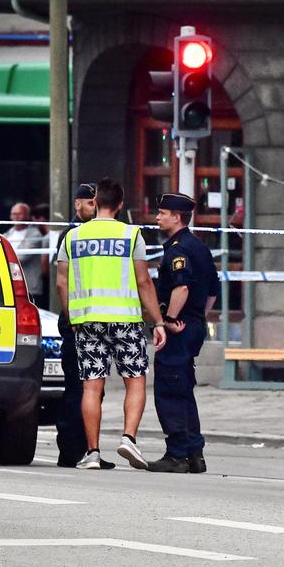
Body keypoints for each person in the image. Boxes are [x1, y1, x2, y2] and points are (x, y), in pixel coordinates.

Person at [55, 178, 166, 470]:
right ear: (120, 204)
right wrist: (158, 321)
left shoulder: (73, 236)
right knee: (136, 380)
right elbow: (143, 281)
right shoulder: (131, 235)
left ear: (96, 202)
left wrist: (71, 316)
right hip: (125, 319)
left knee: (91, 387)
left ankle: (91, 451)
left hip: (87, 320)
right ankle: (128, 438)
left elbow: (62, 282)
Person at [149, 193, 220, 473]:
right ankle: (194, 453)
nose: (157, 217)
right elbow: (213, 291)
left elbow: (182, 287)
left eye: (162, 213)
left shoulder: (178, 249)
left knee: (170, 389)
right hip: (193, 326)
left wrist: (169, 319)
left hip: (178, 328)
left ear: (176, 217)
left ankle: (177, 453)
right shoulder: (199, 247)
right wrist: (198, 318)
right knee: (184, 389)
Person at [52, 184, 103, 467]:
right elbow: (63, 282)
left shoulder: (100, 236)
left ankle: (89, 449)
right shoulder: (70, 235)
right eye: (89, 202)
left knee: (93, 389)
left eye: (97, 202)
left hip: (96, 323)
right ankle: (70, 450)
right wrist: (71, 318)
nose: (93, 207)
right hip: (75, 323)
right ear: (77, 204)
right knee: (76, 389)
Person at [3, 202, 45, 295]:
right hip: (10, 287)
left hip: (29, 288)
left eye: (19, 214)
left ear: (27, 216)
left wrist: (1, 259)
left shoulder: (35, 234)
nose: (16, 217)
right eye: (14, 214)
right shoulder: (8, 234)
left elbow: (20, 258)